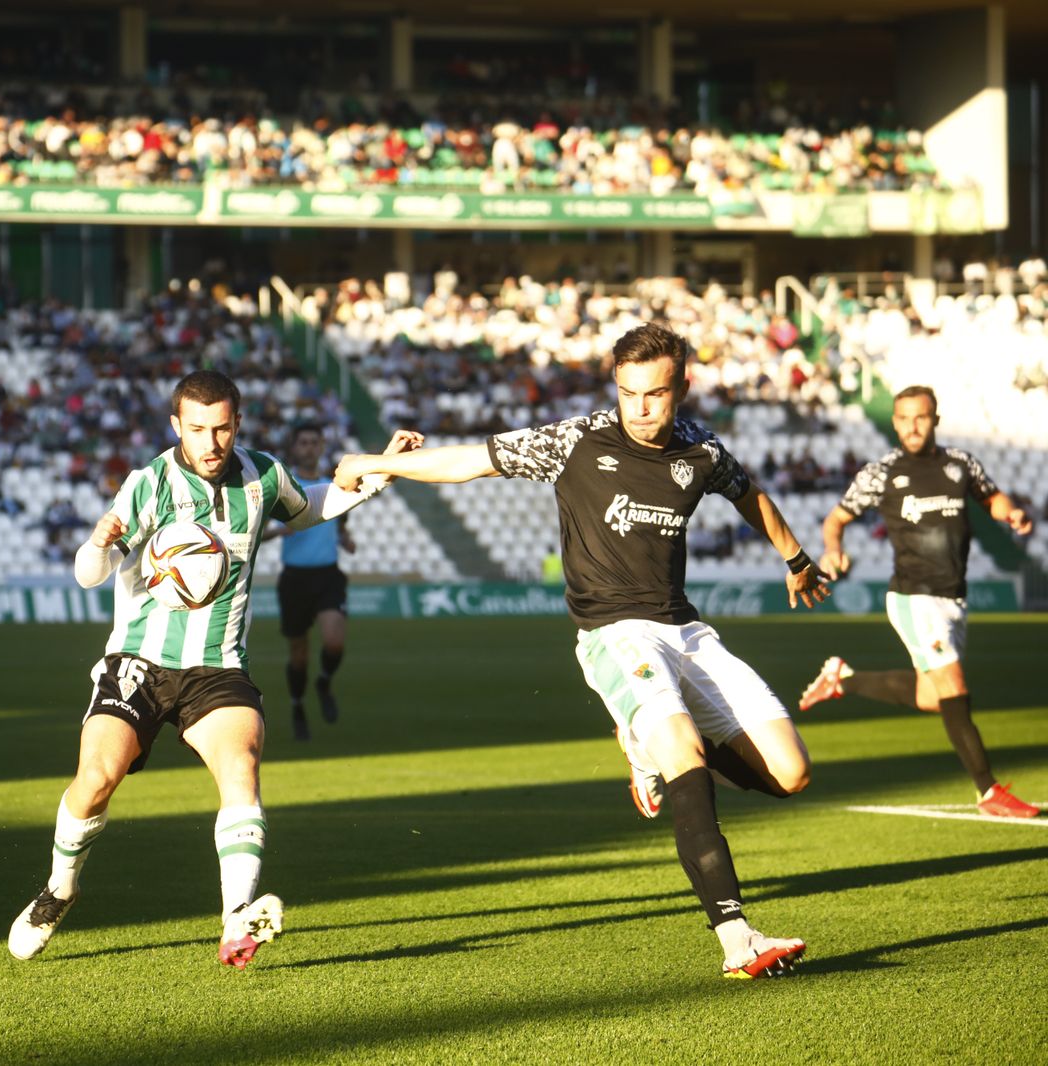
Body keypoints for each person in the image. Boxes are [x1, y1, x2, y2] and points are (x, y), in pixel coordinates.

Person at [335, 322, 830, 980]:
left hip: (686, 629)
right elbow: (473, 461)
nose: (641, 408)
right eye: (628, 393)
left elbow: (751, 495)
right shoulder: (575, 441)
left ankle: (644, 743)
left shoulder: (701, 453)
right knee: (681, 751)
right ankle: (738, 940)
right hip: (612, 631)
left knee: (791, 773)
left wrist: (794, 558)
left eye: (654, 394)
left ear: (680, 387)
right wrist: (380, 462)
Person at [7, 370, 421, 969]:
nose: (211, 442)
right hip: (139, 662)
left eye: (222, 428)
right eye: (197, 429)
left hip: (218, 664)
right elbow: (89, 574)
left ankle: (234, 921)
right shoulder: (148, 484)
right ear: (176, 426)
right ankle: (59, 890)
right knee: (97, 777)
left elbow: (310, 508)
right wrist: (98, 545)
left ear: (238, 424)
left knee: (240, 765)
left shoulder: (262, 475)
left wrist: (381, 472)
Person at [801, 385, 1037, 817]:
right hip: (914, 597)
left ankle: (843, 680)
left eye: (921, 417)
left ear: (935, 419)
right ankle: (988, 791)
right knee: (954, 686)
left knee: (933, 697)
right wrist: (832, 550)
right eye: (904, 418)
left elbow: (991, 497)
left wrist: (1011, 513)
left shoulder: (960, 463)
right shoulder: (882, 472)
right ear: (894, 422)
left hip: (954, 599)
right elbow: (836, 518)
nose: (912, 426)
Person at [267, 423, 355, 741]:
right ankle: (298, 704)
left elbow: (341, 521)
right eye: (302, 442)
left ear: (320, 447)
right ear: (294, 448)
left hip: (328, 574)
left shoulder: (335, 486)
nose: (308, 447)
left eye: (313, 442)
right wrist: (280, 531)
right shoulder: (284, 488)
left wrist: (345, 538)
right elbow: (257, 534)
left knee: (334, 641)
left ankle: (324, 681)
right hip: (295, 579)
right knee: (299, 653)